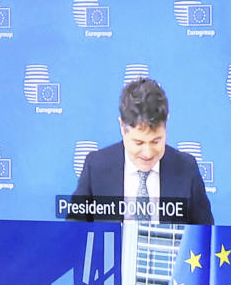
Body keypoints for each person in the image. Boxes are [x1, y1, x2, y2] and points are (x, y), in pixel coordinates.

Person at [71, 77, 213, 224]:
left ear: (166, 124)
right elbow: (74, 232)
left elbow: (204, 234)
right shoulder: (96, 167)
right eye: (138, 142)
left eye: (156, 141)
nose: (148, 153)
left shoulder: (186, 168)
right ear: (122, 127)